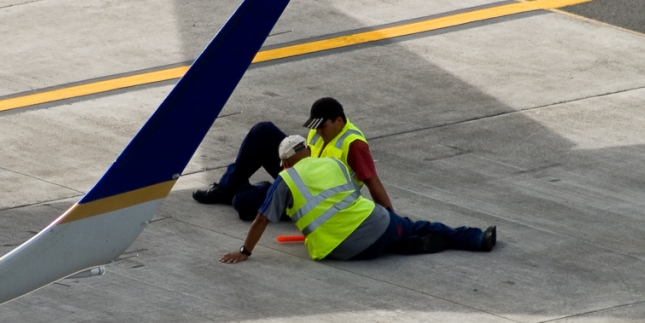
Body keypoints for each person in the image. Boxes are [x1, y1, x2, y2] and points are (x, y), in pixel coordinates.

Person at [221, 135, 496, 263]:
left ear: (284, 163)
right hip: (379, 226)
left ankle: (403, 245)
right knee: (415, 225)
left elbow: (261, 218)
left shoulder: (286, 180)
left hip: (341, 251)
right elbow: (354, 196)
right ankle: (476, 239)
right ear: (307, 151)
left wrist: (244, 252)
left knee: (380, 240)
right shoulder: (333, 164)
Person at [193, 97, 393, 221]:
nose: (317, 132)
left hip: (314, 200)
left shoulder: (354, 145)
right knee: (263, 132)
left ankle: (260, 190)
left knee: (243, 203)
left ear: (339, 121)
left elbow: (372, 181)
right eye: (316, 127)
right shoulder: (319, 132)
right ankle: (227, 188)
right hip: (300, 178)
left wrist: (391, 219)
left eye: (322, 127)